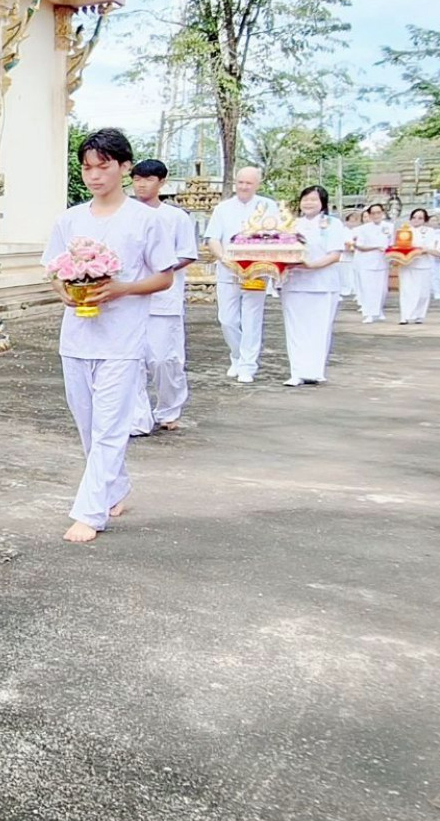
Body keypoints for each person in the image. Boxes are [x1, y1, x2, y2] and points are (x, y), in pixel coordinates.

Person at [41, 129, 178, 544]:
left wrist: (121, 288)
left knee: (110, 427)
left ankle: (89, 511)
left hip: (122, 338)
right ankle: (114, 486)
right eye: (87, 167)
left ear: (123, 167)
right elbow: (52, 269)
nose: (94, 175)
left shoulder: (145, 220)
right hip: (78, 336)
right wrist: (63, 289)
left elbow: (164, 276)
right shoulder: (70, 220)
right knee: (86, 423)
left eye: (103, 166)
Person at [127, 158, 198, 435]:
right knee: (131, 360)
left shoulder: (176, 217)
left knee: (163, 360)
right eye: (137, 179)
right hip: (129, 297)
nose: (142, 185)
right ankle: (137, 417)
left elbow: (186, 253)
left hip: (163, 298)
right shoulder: (125, 213)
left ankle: (169, 408)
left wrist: (159, 267)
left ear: (161, 183)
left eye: (148, 180)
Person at [206, 165, 275, 385]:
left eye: (249, 183)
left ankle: (248, 365)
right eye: (241, 182)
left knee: (252, 319)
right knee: (227, 320)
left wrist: (260, 261)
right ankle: (236, 355)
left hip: (256, 272)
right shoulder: (223, 208)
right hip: (228, 270)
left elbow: (277, 238)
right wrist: (225, 259)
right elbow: (213, 239)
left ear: (257, 184)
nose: (244, 187)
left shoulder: (269, 206)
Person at [281, 185, 346, 386]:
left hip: (322, 284)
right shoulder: (291, 224)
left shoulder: (332, 224)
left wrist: (311, 265)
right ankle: (297, 371)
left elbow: (335, 254)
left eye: (314, 200)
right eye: (305, 199)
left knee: (318, 328)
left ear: (323, 204)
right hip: (294, 283)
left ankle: (315, 370)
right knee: (295, 328)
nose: (308, 203)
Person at [346, 202, 392, 324]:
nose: (376, 215)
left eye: (379, 212)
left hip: (382, 262)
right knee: (368, 289)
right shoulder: (362, 229)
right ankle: (368, 313)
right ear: (370, 215)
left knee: (382, 290)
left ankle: (378, 311)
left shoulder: (390, 227)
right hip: (366, 262)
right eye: (373, 213)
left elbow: (392, 244)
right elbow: (360, 246)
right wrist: (376, 247)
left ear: (383, 213)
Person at [396, 207, 439, 325]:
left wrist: (421, 249)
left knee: (422, 292)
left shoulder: (430, 231)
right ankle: (405, 316)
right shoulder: (404, 230)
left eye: (420, 218)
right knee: (407, 290)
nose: (416, 220)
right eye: (414, 217)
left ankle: (419, 315)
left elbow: (431, 247)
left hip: (424, 264)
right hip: (407, 264)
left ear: (425, 220)